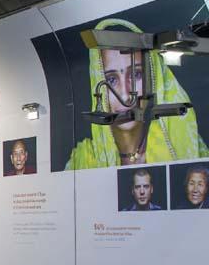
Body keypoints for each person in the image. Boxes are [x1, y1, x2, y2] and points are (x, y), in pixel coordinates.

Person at [67, 19, 209, 169]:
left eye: (136, 75)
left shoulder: (186, 143)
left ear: (152, 80)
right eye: (111, 79)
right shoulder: (83, 161)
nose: (125, 95)